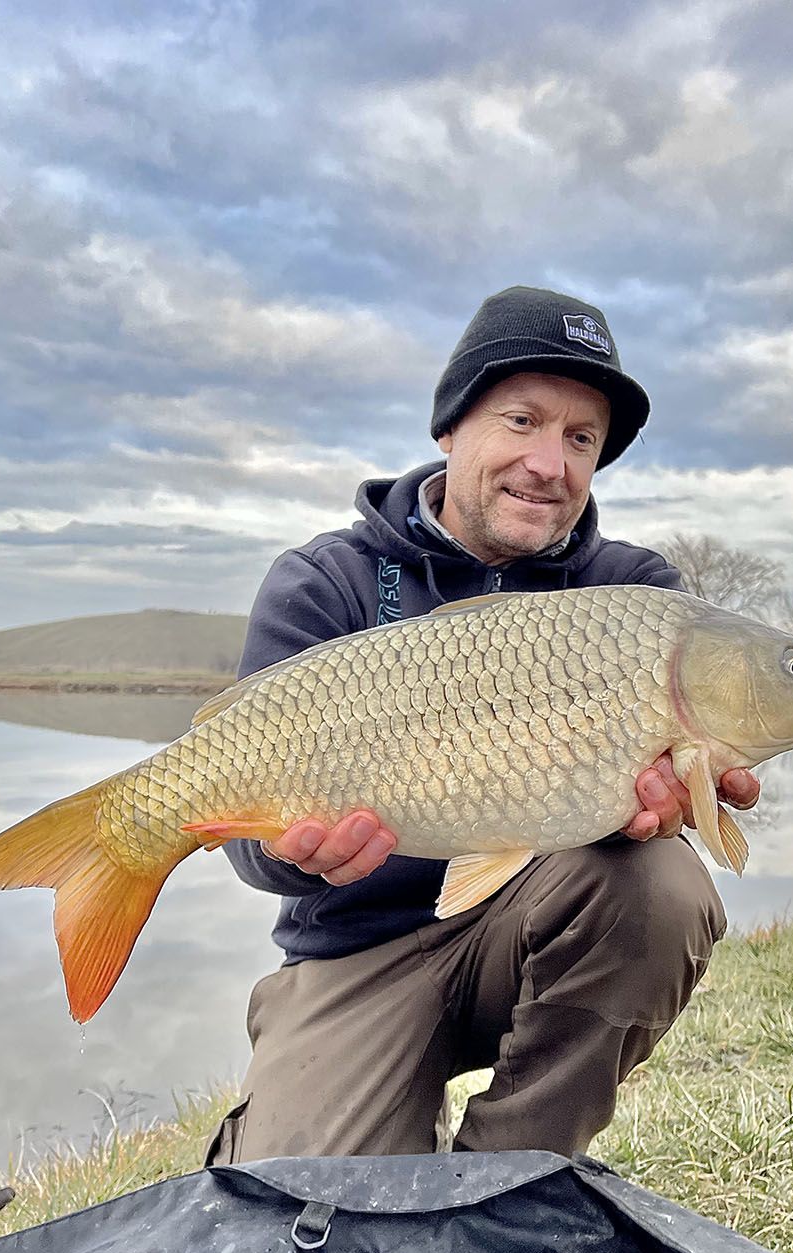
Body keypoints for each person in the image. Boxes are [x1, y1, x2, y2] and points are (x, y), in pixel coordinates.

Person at [206, 285, 759, 1165]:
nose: (551, 463)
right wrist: (289, 849)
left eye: (582, 439)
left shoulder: (636, 596)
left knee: (660, 883)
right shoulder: (324, 585)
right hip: (355, 952)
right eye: (522, 421)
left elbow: (695, 781)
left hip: (531, 929)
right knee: (307, 1225)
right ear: (450, 428)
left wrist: (688, 794)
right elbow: (244, 848)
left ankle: (508, 1181)